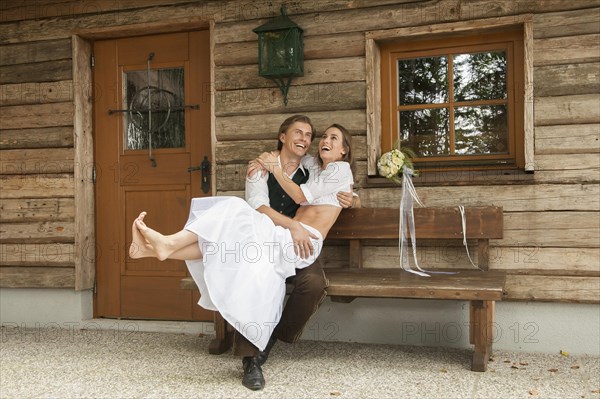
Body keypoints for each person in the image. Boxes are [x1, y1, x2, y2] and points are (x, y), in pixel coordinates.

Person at [129, 123, 355, 390]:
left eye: (315, 136)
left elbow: (320, 192)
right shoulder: (261, 169)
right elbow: (258, 206)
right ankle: (251, 358)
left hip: (302, 243)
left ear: (344, 150)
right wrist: (269, 168)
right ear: (282, 137)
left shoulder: (323, 167)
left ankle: (168, 246)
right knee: (244, 249)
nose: (310, 140)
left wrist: (354, 199)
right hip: (279, 233)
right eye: (300, 133)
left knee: (233, 215)